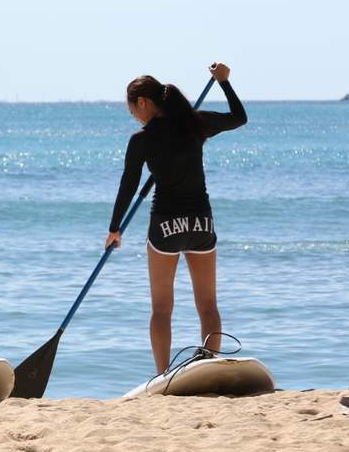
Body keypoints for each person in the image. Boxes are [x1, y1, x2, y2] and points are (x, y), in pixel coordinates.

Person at [104, 63, 246, 374]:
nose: (135, 118)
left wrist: (115, 228)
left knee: (161, 309)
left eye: (133, 111)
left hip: (166, 226)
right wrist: (224, 83)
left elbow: (127, 187)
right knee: (208, 305)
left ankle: (162, 375)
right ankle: (209, 365)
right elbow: (239, 117)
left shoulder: (141, 140)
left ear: (142, 102)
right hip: (201, 224)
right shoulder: (196, 124)